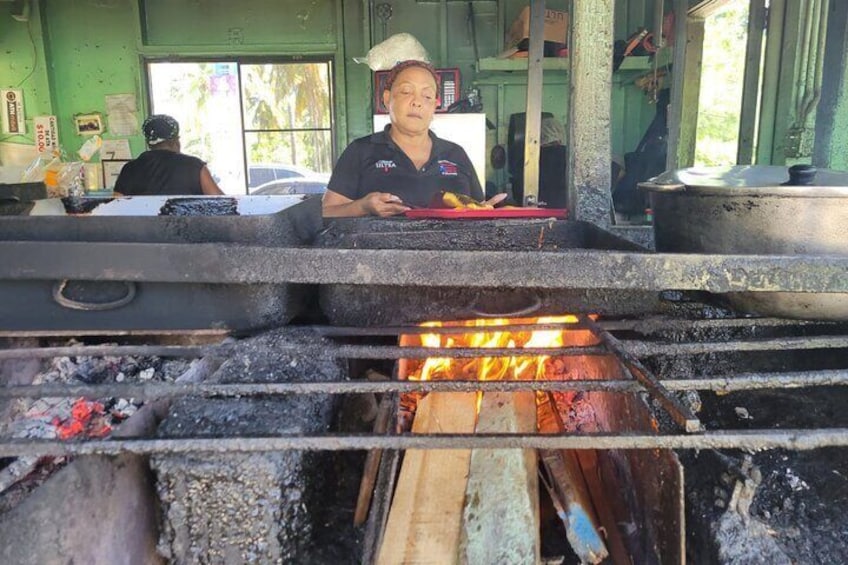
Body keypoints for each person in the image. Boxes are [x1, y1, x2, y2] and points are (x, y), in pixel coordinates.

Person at [322, 59, 503, 217]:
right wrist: (362, 206)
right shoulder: (360, 150)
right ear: (387, 99)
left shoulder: (455, 154)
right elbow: (326, 212)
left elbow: (477, 211)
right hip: (378, 256)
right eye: (406, 91)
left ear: (435, 105)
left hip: (449, 255)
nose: (417, 102)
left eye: (427, 96)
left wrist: (486, 210)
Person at [114, 114, 224, 196]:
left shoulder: (129, 169)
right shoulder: (194, 166)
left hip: (141, 227)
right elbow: (221, 203)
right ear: (175, 141)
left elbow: (114, 208)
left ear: (148, 143)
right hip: (185, 227)